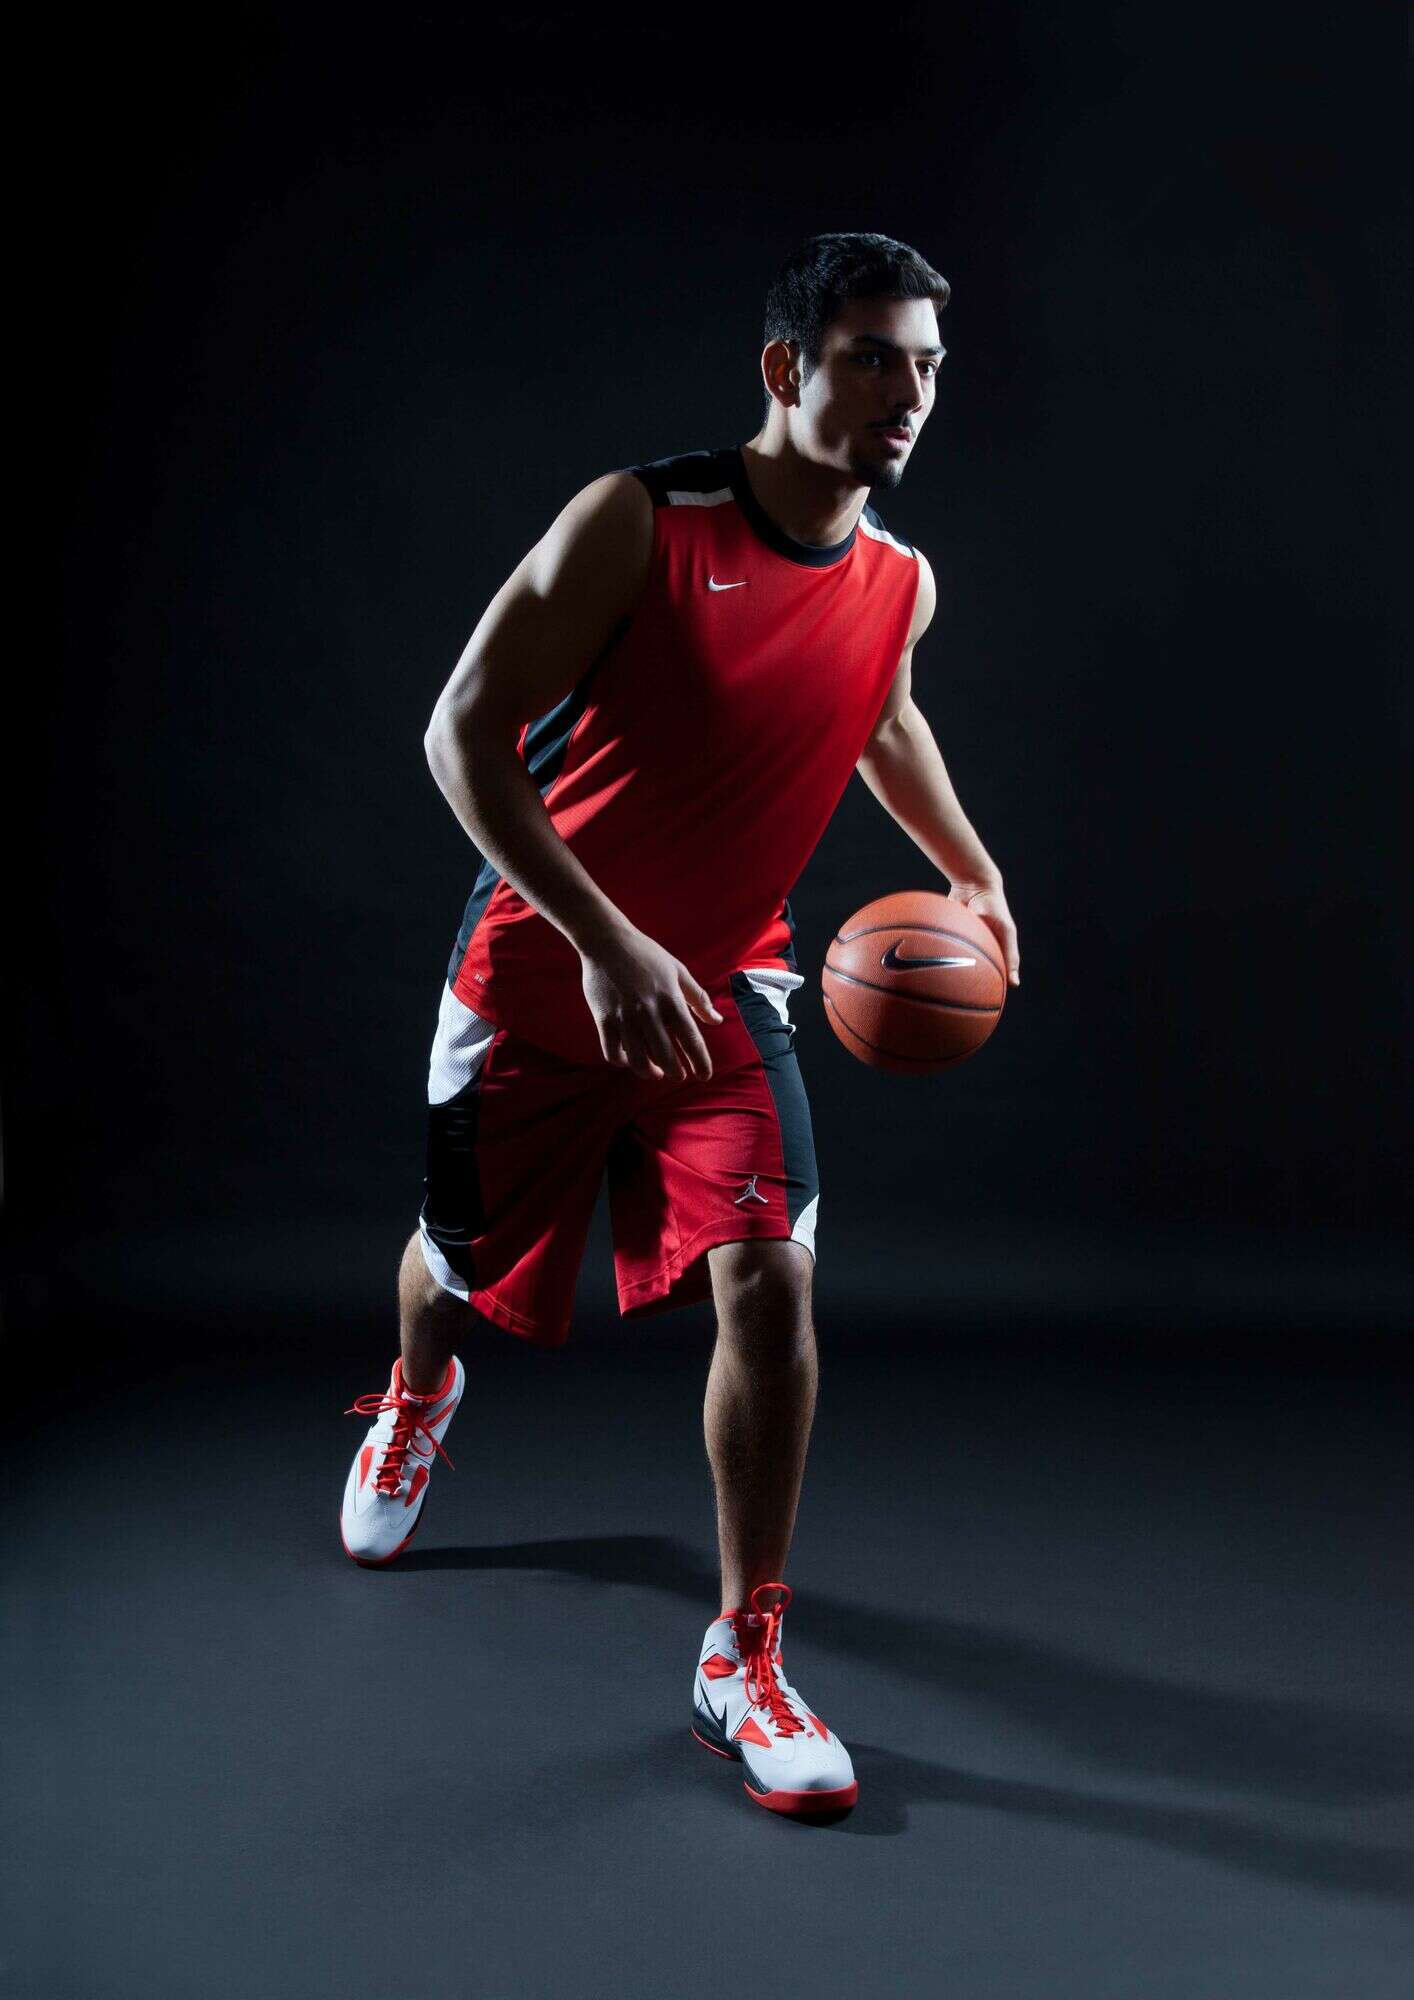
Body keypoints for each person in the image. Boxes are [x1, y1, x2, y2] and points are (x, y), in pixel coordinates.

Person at [339, 231, 1020, 1817]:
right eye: (871, 356)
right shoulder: (639, 524)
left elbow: (882, 715)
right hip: (539, 973)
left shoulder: (899, 580)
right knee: (455, 1265)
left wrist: (972, 872)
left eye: (925, 363)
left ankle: (743, 1653)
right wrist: (604, 938)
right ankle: (417, 1395)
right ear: (785, 368)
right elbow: (460, 734)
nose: (907, 393)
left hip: (723, 986)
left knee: (771, 1280)